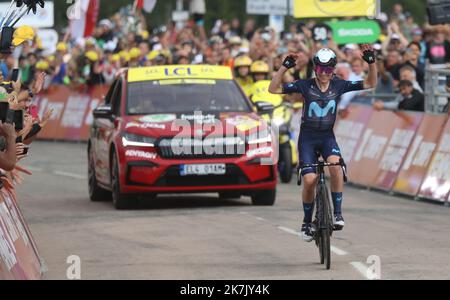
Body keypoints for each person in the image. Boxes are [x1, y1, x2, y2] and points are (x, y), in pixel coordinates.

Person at [269, 45, 378, 242]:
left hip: (327, 137)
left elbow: (371, 83)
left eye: (329, 69)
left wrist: (372, 63)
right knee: (309, 180)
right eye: (320, 69)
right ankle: (306, 222)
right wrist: (284, 68)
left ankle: (337, 213)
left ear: (334, 69)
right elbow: (273, 89)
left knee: (336, 167)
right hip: (307, 139)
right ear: (315, 68)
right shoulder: (304, 85)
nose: (324, 74)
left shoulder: (340, 85)